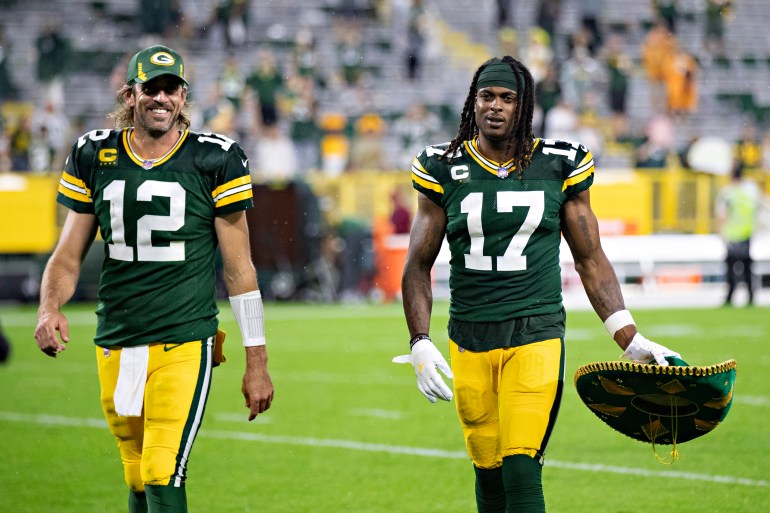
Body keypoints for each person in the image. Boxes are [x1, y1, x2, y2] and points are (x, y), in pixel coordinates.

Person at [394, 56, 680, 513]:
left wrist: (628, 336)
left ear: (524, 105)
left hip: (536, 332)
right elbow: (417, 265)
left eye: (508, 98)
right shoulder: (443, 165)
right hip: (468, 337)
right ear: (474, 101)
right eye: (487, 96)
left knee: (522, 469)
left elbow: (590, 258)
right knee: (487, 474)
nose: (495, 106)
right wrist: (420, 341)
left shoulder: (558, 164)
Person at [33, 45, 274, 513]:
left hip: (183, 340)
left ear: (183, 97)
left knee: (163, 470)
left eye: (172, 89)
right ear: (130, 93)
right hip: (116, 340)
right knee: (138, 474)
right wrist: (49, 306)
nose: (162, 98)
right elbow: (67, 255)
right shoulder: (95, 153)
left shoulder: (214, 158)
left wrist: (257, 358)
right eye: (152, 88)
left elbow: (239, 268)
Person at [716, 162, 761, 306]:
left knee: (731, 268)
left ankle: (730, 296)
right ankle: (751, 296)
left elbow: (722, 215)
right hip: (747, 232)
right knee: (747, 266)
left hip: (732, 234)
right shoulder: (751, 191)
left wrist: (721, 233)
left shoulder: (728, 193)